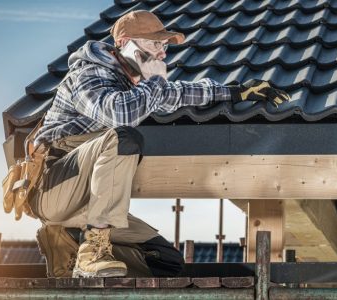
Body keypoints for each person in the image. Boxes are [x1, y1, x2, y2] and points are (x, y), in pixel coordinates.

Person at [29, 10, 290, 278]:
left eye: (164, 46)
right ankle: (92, 251)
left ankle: (68, 244)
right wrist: (155, 81)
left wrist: (236, 92)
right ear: (124, 43)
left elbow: (180, 92)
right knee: (125, 138)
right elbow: (119, 115)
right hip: (55, 188)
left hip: (87, 208)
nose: (162, 54)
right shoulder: (88, 74)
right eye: (155, 44)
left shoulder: (134, 84)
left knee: (166, 263)